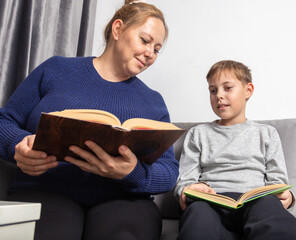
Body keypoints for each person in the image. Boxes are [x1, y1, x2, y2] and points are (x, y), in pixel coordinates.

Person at [0, 1, 178, 239]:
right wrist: (18, 145)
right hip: (47, 188)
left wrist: (132, 172)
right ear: (117, 30)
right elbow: (5, 121)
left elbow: (168, 171)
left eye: (156, 49)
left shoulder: (153, 102)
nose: (150, 53)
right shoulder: (56, 69)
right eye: (145, 41)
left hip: (123, 200)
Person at [174, 60, 296, 240]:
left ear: (248, 91)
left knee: (276, 216)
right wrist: (190, 189)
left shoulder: (266, 133)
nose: (219, 95)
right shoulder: (198, 134)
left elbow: (278, 180)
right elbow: (185, 180)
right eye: (213, 90)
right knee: (197, 216)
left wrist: (286, 195)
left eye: (227, 88)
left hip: (255, 202)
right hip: (212, 202)